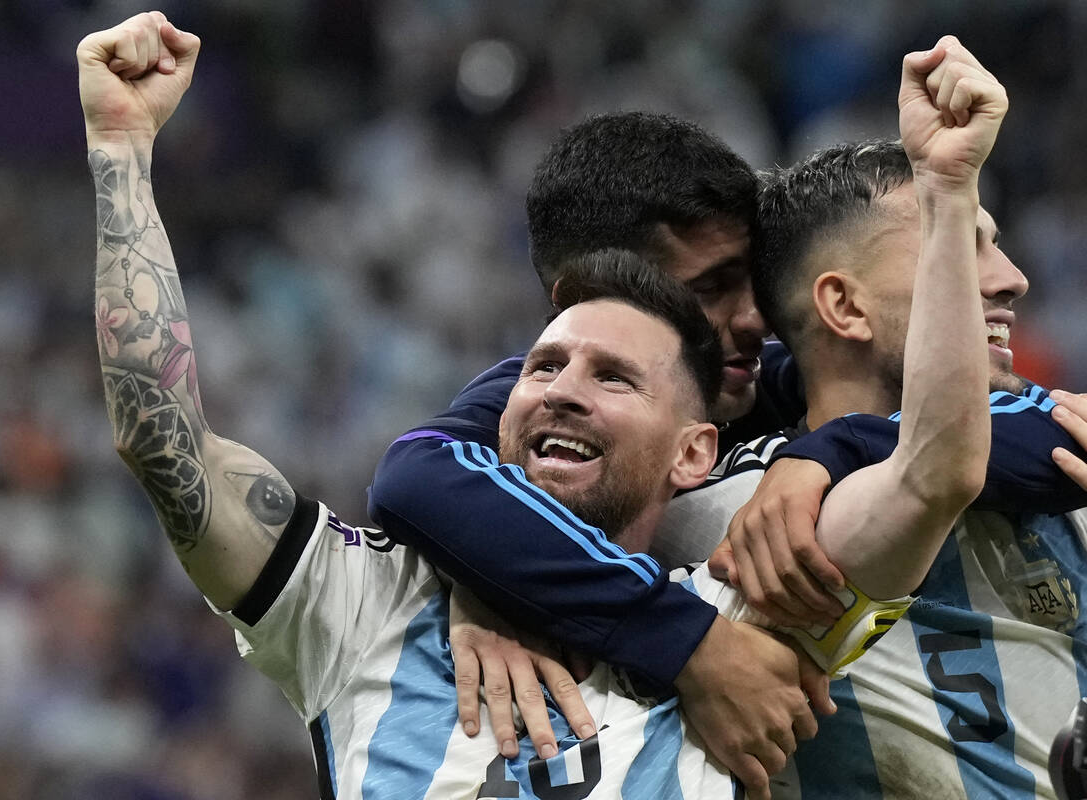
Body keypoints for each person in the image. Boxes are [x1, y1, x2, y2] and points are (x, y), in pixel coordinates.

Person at [78, 12, 819, 799]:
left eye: (614, 378)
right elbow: (165, 444)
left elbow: (928, 453)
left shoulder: (745, 597)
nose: (563, 390)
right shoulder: (369, 602)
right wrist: (120, 153)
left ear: (695, 448)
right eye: (541, 367)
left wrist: (814, 464)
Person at [370, 36, 1087, 799]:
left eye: (750, 283)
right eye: (709, 290)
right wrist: (492, 590)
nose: (753, 320)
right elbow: (422, 476)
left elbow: (973, 434)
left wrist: (828, 451)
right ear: (594, 296)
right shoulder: (618, 456)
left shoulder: (784, 386)